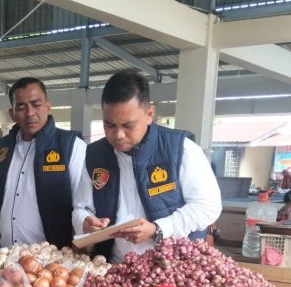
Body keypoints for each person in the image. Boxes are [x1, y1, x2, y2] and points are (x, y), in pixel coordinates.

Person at [73, 70, 222, 262]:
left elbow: (208, 206)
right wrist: (85, 222)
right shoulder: (96, 155)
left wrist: (159, 229)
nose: (118, 134)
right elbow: (80, 207)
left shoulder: (180, 149)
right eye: (110, 125)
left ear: (149, 114)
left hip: (172, 271)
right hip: (116, 270)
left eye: (128, 125)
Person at [0, 77, 87, 249]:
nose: (30, 113)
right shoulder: (3, 148)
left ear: (48, 106)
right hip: (3, 258)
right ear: (12, 113)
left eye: (36, 104)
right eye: (21, 107)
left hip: (50, 266)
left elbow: (82, 208)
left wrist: (74, 260)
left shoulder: (71, 146)